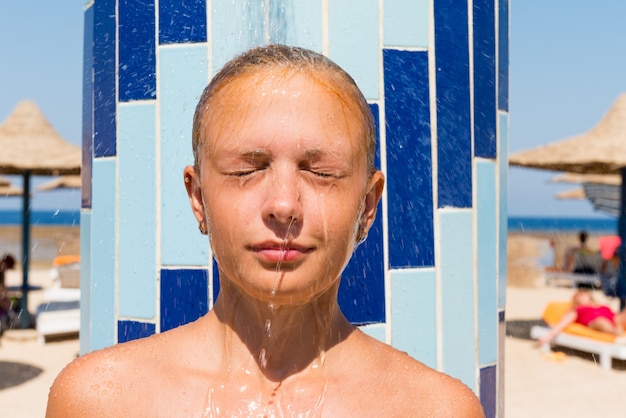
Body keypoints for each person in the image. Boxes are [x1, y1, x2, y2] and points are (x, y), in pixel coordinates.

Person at [46, 45, 484, 417]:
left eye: (321, 172)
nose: (283, 205)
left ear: (367, 206)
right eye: (247, 169)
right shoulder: (99, 401)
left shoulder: (435, 408)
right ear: (198, 196)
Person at [537, 289, 626, 345]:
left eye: (584, 294)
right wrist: (549, 335)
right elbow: (563, 323)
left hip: (615, 319)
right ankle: (616, 332)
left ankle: (618, 328)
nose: (584, 296)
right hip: (595, 323)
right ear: (576, 299)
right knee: (601, 321)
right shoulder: (576, 309)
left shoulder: (599, 305)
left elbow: (615, 314)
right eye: (581, 295)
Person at [0, 253, 17, 333]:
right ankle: (10, 320)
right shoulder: (1, 272)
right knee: (9, 304)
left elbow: (4, 290)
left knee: (9, 303)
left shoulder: (2, 273)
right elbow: (4, 290)